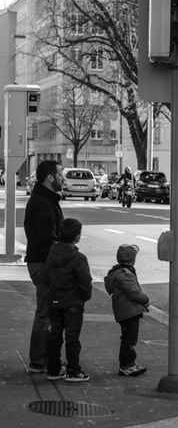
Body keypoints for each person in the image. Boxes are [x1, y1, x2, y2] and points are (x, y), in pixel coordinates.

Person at [24, 160, 65, 374]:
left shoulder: (44, 199)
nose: (62, 178)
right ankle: (39, 361)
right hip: (44, 263)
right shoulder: (42, 203)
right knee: (45, 313)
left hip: (42, 261)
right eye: (60, 174)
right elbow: (48, 240)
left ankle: (45, 358)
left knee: (48, 312)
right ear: (50, 177)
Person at [44, 218, 92, 382]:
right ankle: (73, 371)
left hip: (53, 301)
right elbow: (85, 282)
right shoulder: (79, 258)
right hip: (72, 303)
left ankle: (53, 369)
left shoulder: (50, 253)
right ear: (77, 238)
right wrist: (84, 297)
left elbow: (46, 277)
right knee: (72, 338)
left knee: (54, 336)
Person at [104, 244, 150, 377]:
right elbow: (134, 292)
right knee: (129, 340)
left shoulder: (120, 271)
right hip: (129, 311)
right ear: (131, 259)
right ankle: (126, 365)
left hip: (127, 311)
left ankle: (130, 363)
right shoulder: (125, 273)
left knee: (128, 338)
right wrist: (146, 299)